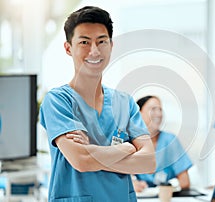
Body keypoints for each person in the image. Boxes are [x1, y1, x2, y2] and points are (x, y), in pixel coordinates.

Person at [39, 6, 156, 202]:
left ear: (111, 45)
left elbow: (148, 162)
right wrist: (126, 149)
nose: (94, 51)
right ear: (68, 48)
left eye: (101, 41)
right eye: (84, 42)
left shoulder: (124, 103)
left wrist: (95, 155)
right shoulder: (58, 101)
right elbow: (81, 161)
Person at [132, 96, 193, 192]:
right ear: (139, 114)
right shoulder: (131, 142)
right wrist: (133, 184)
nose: (159, 114)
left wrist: (167, 187)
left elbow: (185, 182)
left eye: (160, 109)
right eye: (153, 109)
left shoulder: (170, 140)